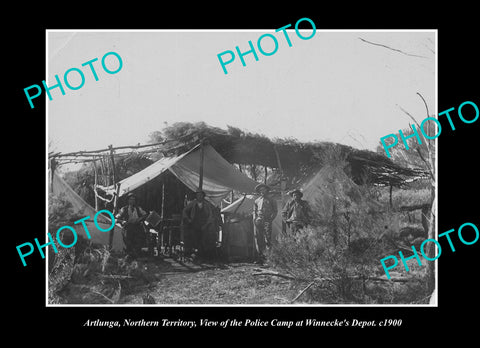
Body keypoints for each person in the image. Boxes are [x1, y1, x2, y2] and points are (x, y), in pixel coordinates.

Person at [182, 190, 218, 261]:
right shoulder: (193, 204)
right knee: (193, 238)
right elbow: (184, 211)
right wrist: (188, 220)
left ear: (203, 196)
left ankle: (204, 255)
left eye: (201, 195)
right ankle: (193, 253)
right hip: (194, 225)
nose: (199, 197)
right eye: (198, 195)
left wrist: (206, 225)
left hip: (205, 225)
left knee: (206, 239)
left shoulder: (207, 205)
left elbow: (210, 216)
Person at [116, 193, 148, 259]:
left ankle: (136, 256)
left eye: (133, 199)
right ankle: (129, 256)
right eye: (130, 199)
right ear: (128, 200)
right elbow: (116, 218)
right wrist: (122, 221)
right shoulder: (124, 209)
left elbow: (145, 215)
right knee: (128, 243)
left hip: (137, 227)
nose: (132, 201)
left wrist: (140, 219)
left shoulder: (138, 208)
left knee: (138, 242)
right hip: (128, 227)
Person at [253, 183, 277, 264]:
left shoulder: (272, 200)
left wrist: (270, 219)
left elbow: (275, 211)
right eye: (260, 190)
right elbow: (254, 211)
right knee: (259, 239)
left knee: (268, 239)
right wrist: (255, 219)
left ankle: (269, 258)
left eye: (264, 190)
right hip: (258, 221)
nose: (262, 191)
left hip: (267, 220)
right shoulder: (257, 201)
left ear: (267, 190)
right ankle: (260, 258)